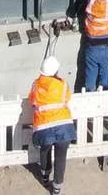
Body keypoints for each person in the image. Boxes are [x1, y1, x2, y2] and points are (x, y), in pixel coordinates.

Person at [26, 55, 75, 194]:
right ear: (56, 71)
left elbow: (32, 101)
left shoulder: (36, 84)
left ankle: (45, 176)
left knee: (45, 150)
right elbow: (67, 98)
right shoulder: (63, 84)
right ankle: (57, 188)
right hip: (64, 127)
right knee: (60, 157)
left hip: (44, 127)